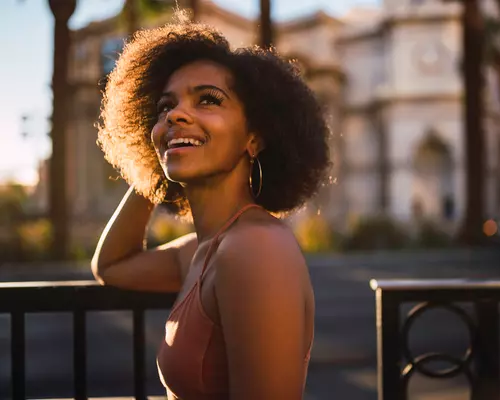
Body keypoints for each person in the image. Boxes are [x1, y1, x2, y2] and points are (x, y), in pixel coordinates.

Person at [91, 12, 330, 400]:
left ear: (254, 138)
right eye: (164, 108)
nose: (175, 114)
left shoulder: (255, 250)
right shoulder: (204, 250)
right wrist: (155, 156)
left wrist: (170, 142)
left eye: (208, 100)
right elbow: (111, 266)